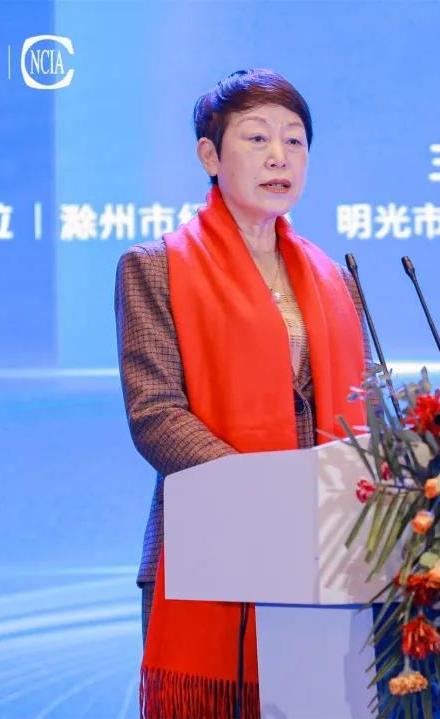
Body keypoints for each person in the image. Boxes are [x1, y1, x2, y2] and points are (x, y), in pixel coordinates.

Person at [114, 68, 371, 718]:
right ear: (209, 154)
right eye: (257, 138)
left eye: (295, 140)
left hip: (328, 552)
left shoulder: (335, 277)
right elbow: (155, 415)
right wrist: (265, 495)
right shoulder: (155, 266)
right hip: (208, 545)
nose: (279, 156)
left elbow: (363, 408)